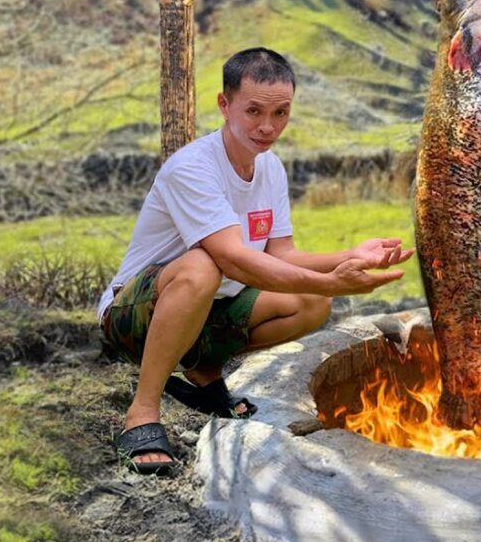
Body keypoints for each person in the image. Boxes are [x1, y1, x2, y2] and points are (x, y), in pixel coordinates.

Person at [98, 48, 415, 474]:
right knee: (202, 265)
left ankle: (203, 370)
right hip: (135, 317)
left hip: (205, 313)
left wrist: (350, 256)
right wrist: (333, 281)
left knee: (310, 301)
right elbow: (233, 260)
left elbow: (281, 254)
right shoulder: (193, 167)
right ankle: (142, 410)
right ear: (224, 105)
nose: (268, 127)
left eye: (281, 112)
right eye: (253, 111)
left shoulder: (270, 168)